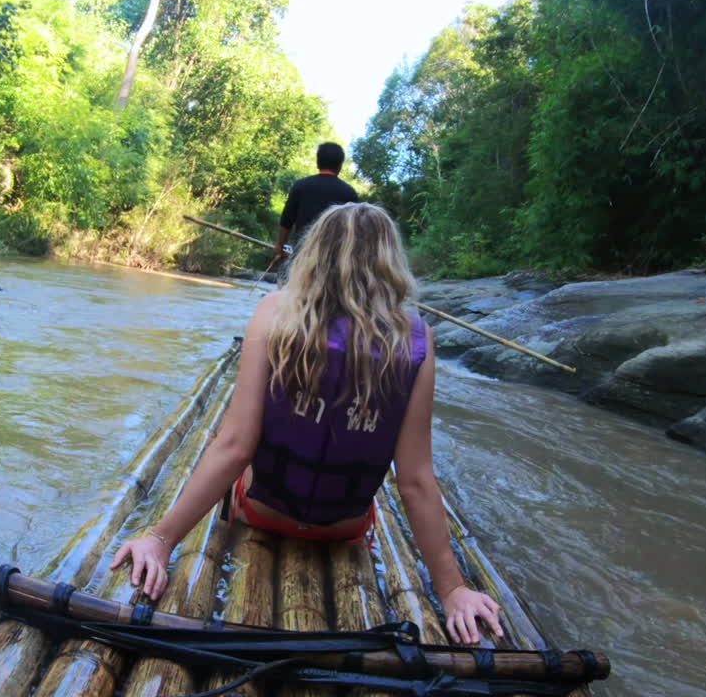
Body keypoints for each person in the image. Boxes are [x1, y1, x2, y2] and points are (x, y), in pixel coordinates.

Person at [110, 203, 504, 645]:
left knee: (237, 422)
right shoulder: (415, 339)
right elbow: (415, 481)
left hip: (261, 512)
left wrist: (161, 539)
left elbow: (236, 447)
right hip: (345, 530)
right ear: (391, 264)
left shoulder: (274, 311)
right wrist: (451, 589)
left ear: (313, 255)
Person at [273, 142, 359, 261]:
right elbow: (353, 232)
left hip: (303, 253)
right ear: (340, 165)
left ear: (318, 162)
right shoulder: (349, 193)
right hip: (332, 258)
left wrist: (280, 245)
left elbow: (286, 220)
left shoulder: (300, 186)